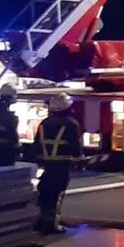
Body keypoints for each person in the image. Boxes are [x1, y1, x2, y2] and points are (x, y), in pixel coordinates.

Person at [35, 92, 82, 234]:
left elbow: (36, 143)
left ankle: (41, 222)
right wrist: (79, 160)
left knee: (44, 193)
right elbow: (76, 146)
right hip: (62, 165)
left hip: (46, 165)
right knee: (57, 194)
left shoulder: (44, 123)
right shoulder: (71, 124)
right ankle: (52, 225)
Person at [0, 84, 21, 167]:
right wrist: (16, 143)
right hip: (5, 144)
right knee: (7, 167)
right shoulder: (3, 110)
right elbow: (9, 129)